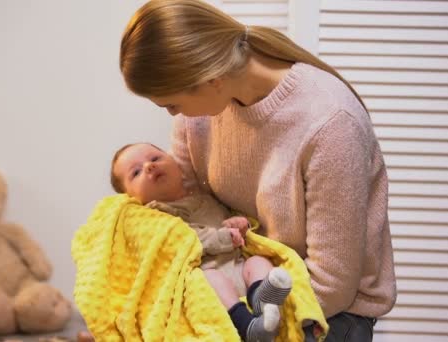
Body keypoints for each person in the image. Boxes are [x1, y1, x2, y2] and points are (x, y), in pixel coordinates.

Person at [114, 0, 397, 341]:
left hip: (324, 312)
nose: (174, 115)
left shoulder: (331, 124)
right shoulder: (198, 118)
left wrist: (238, 321)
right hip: (238, 293)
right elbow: (186, 211)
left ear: (209, 79)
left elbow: (332, 286)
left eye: (171, 104)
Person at [110, 142, 293, 342]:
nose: (149, 166)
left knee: (257, 262)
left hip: (239, 267)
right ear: (131, 198)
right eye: (136, 173)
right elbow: (183, 242)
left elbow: (228, 224)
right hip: (209, 280)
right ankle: (247, 326)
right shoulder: (155, 216)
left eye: (155, 158)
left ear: (175, 163)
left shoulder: (205, 197)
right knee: (212, 277)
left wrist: (239, 224)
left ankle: (262, 299)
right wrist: (224, 237)